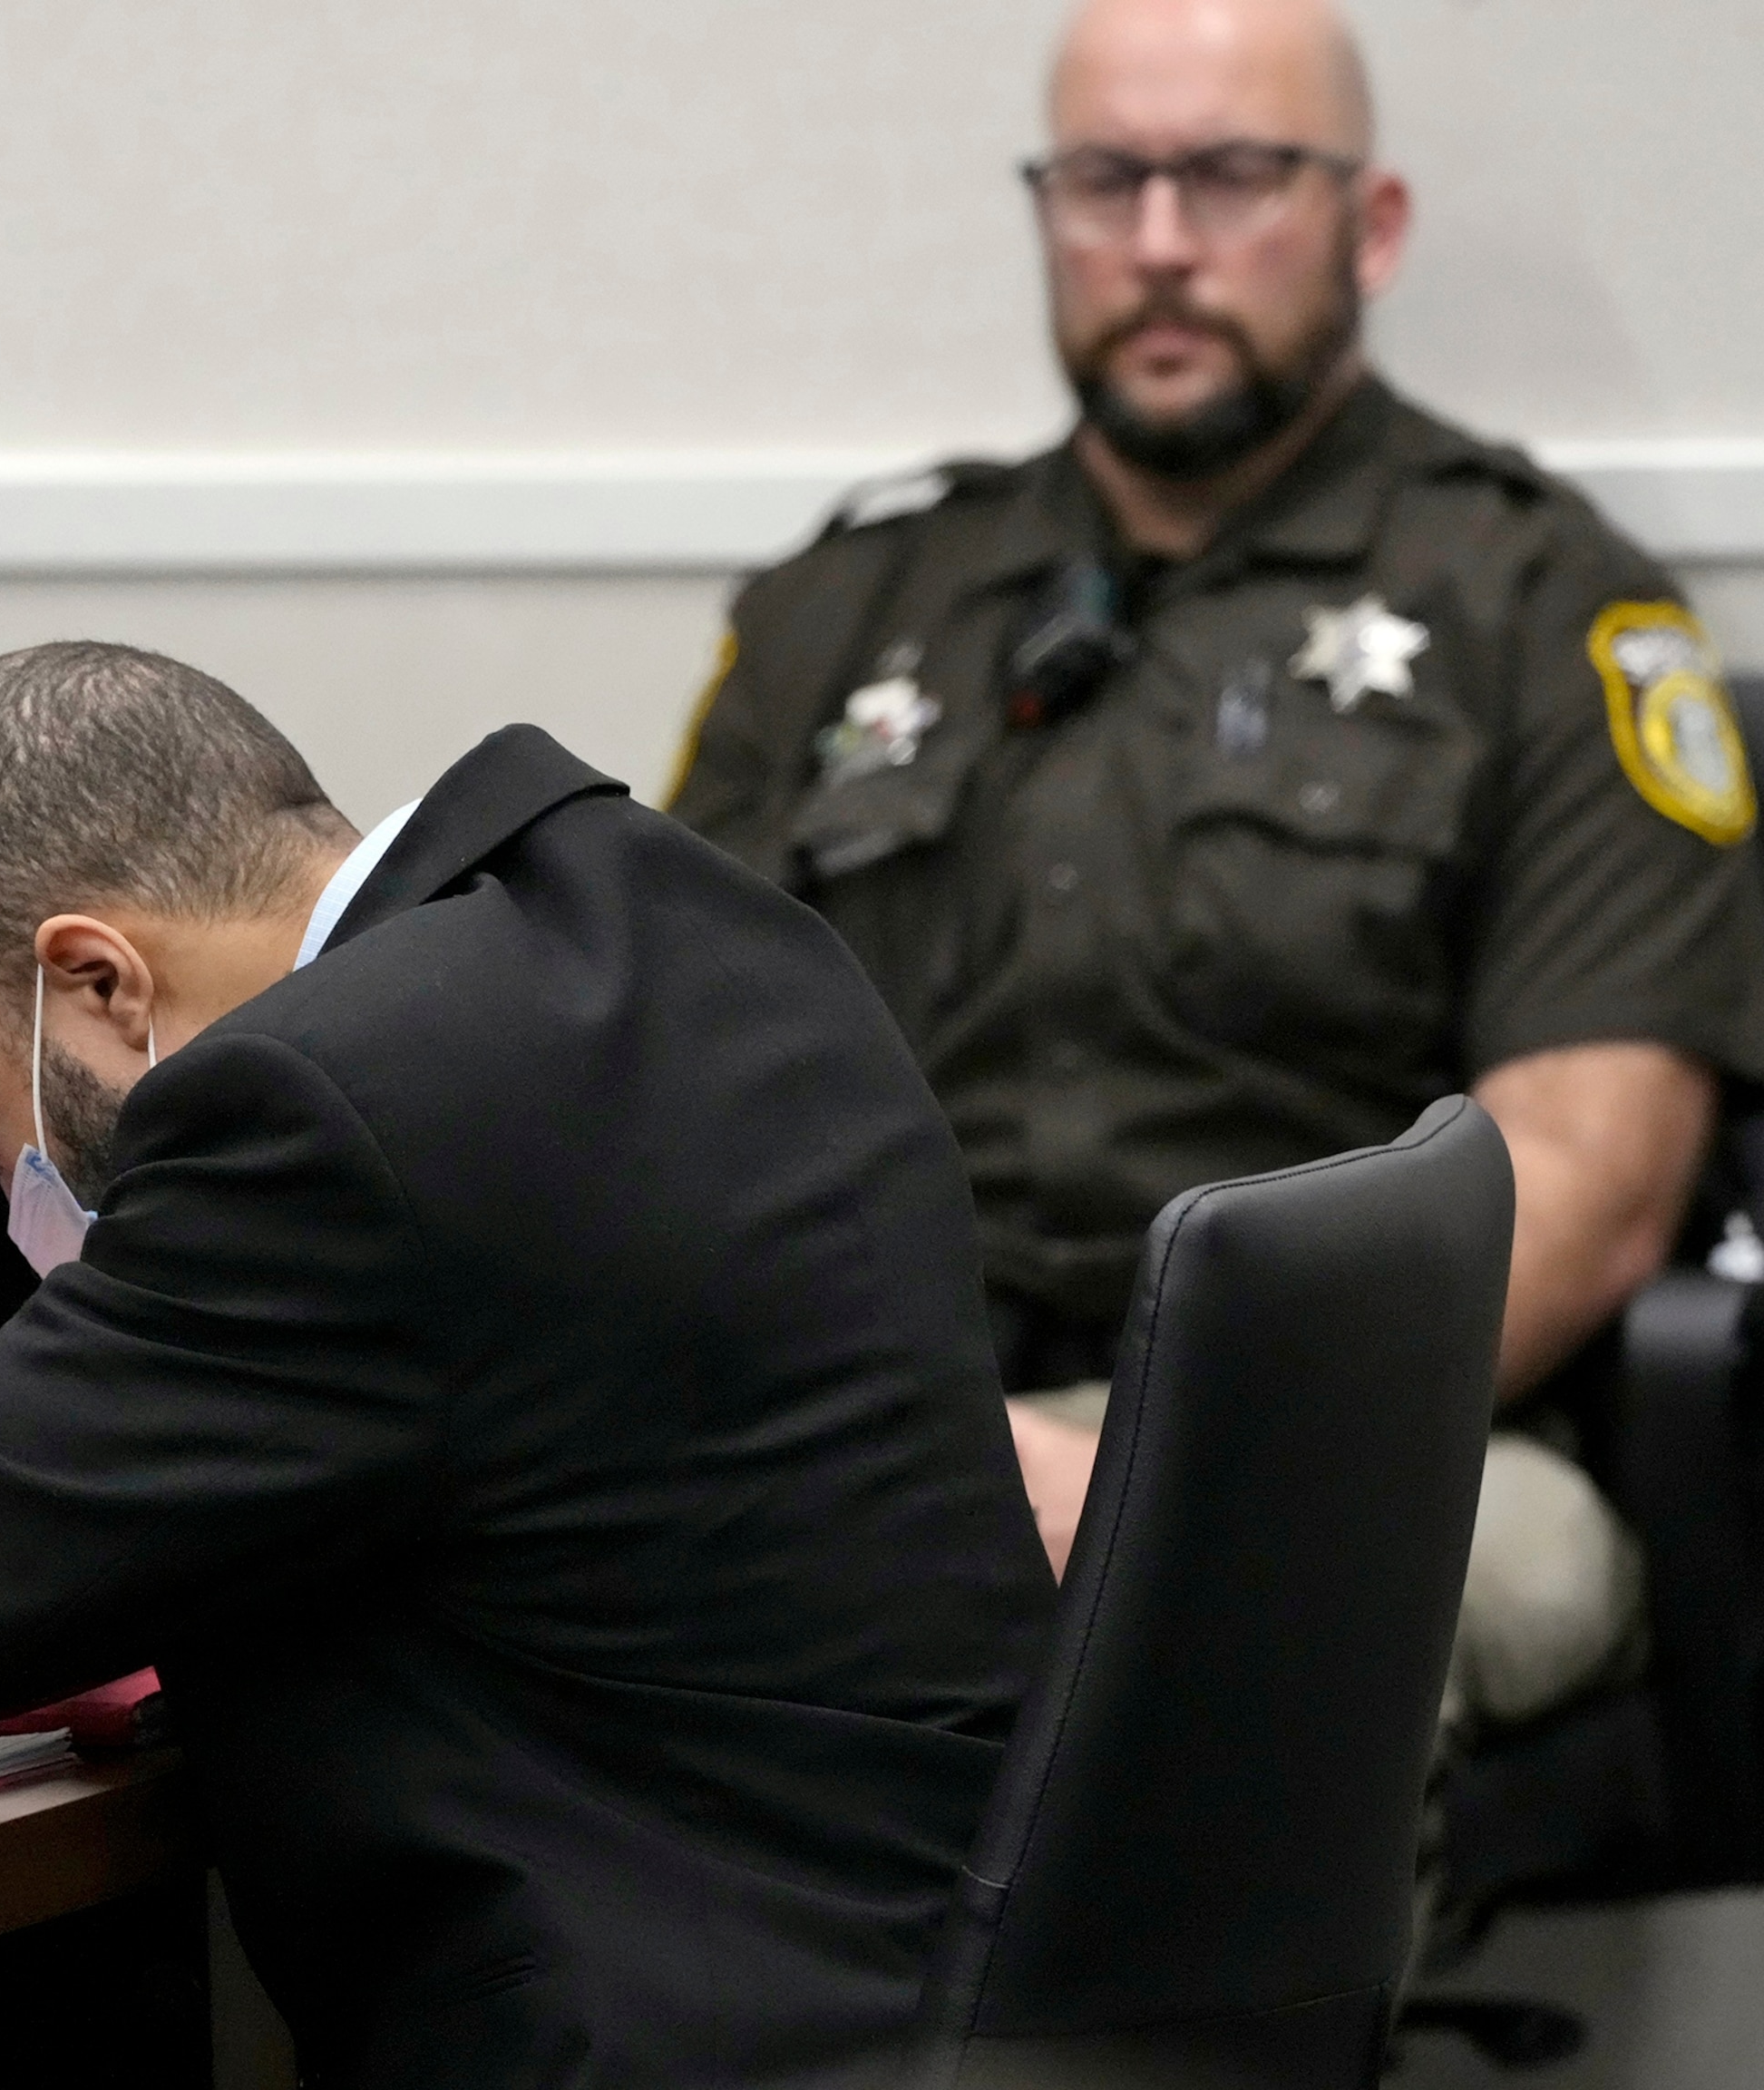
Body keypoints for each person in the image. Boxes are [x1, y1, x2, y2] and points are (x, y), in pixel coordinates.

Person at [0, 642, 1057, 2086]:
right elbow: (121, 1422)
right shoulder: (653, 930)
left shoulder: (335, 1116)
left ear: (100, 981)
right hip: (936, 1989)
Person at [668, 0, 1764, 1766]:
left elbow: (1589, 1172)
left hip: (1372, 1437)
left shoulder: (1547, 608)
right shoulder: (847, 607)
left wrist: (1163, 1465)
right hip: (896, 1413)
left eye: (1236, 176)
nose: (1161, 244)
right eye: (1106, 181)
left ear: (1370, 222)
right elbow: (654, 1081)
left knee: (1218, 1628)